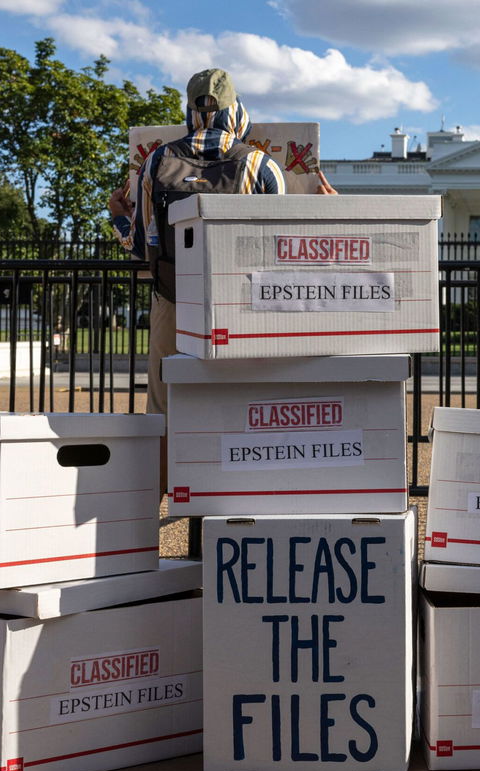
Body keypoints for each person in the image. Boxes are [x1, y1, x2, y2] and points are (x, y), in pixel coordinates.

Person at [108, 68, 335, 493]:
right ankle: (236, 494)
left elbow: (140, 243)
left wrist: (117, 213)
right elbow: (283, 250)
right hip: (243, 305)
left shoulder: (157, 160)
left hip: (173, 299)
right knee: (244, 397)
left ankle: (161, 500)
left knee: (164, 404)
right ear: (235, 109)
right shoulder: (261, 165)